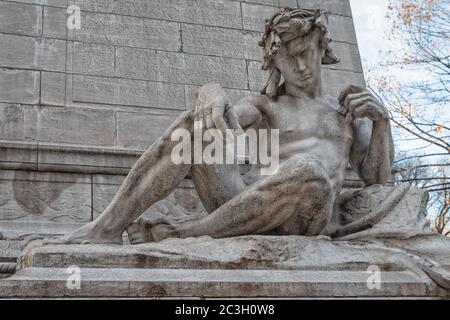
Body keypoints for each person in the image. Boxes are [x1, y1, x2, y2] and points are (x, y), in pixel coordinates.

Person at [53, 8, 394, 245]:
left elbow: (377, 181)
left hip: (304, 216)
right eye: (288, 57)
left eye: (307, 51)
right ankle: (106, 227)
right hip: (238, 205)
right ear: (273, 61)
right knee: (195, 125)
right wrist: (209, 91)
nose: (301, 65)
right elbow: (224, 117)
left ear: (323, 47)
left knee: (308, 170)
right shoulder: (265, 105)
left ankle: (185, 234)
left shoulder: (345, 112)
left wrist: (382, 123)